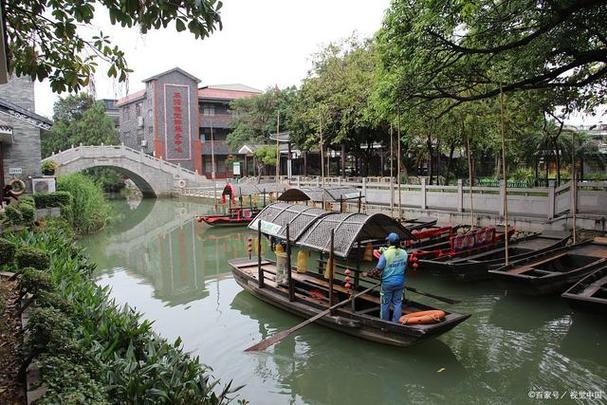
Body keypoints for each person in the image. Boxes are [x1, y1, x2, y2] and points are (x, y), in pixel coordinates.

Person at [374, 232, 408, 323]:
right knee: (397, 303)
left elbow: (378, 269)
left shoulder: (385, 254)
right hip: (400, 282)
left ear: (389, 242)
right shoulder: (404, 253)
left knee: (385, 304)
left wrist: (371, 273)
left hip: (387, 283)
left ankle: (384, 325)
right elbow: (405, 268)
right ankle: (396, 323)